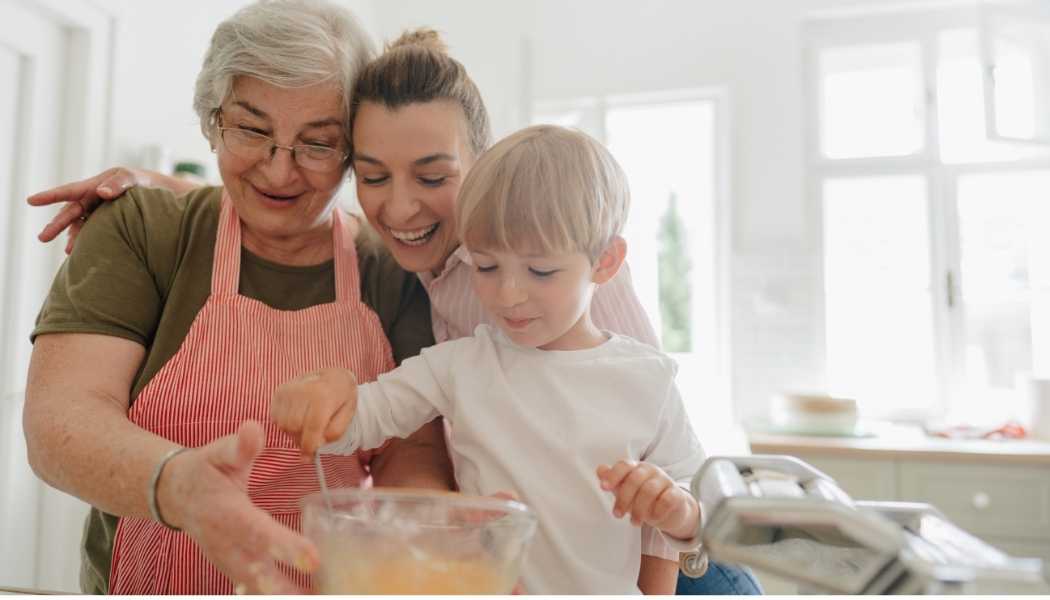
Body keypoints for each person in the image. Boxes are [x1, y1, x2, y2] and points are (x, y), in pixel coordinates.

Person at [29, 29, 763, 597]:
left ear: (485, 162)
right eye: (373, 175)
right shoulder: (392, 260)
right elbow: (284, 203)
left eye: (434, 176)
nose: (400, 207)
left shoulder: (572, 277)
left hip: (660, 563)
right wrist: (159, 190)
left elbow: (647, 456)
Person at [22, 1, 455, 594]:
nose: (280, 172)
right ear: (212, 119)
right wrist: (179, 486)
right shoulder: (145, 229)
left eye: (318, 144)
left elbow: (413, 453)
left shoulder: (392, 271)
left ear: (354, 149)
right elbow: (59, 424)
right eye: (252, 130)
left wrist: (419, 535)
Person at [272, 125, 705, 594]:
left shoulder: (647, 379)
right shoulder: (459, 366)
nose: (509, 294)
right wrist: (323, 405)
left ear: (605, 261)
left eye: (540, 270)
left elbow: (703, 514)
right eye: (487, 266)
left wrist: (678, 511)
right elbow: (364, 418)